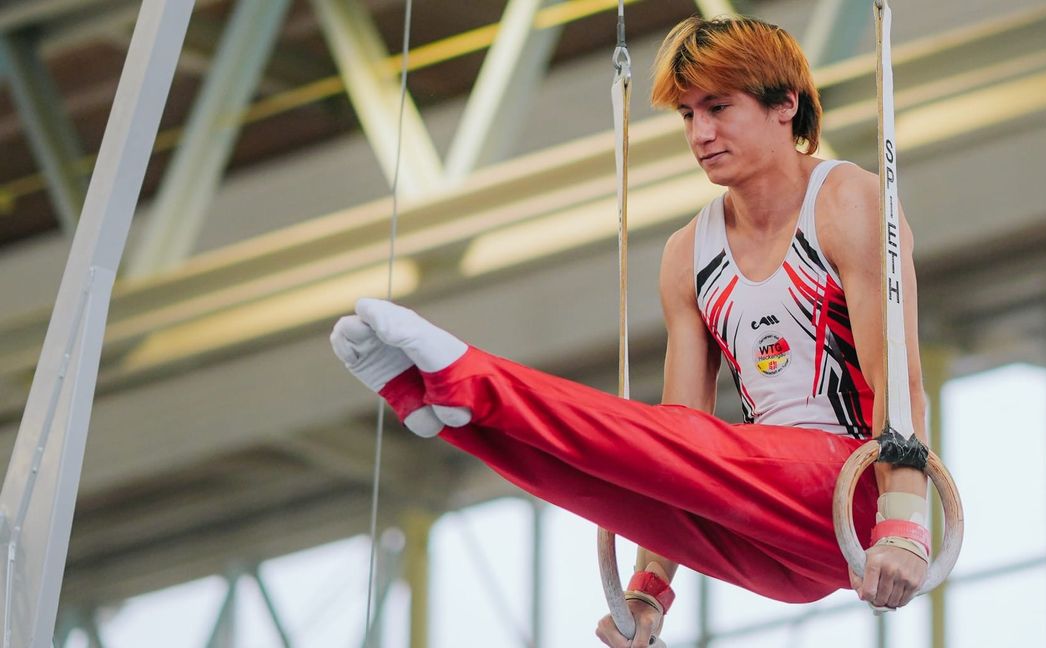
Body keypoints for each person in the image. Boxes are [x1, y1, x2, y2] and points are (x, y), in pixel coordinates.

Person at [330, 15, 931, 648]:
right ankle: (452, 411)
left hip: (853, 493)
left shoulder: (847, 201)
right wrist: (648, 592)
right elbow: (676, 442)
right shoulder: (688, 253)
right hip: (765, 536)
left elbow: (901, 381)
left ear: (785, 104)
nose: (700, 134)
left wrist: (906, 527)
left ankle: (466, 377)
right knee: (598, 477)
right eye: (687, 115)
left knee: (662, 443)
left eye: (718, 108)